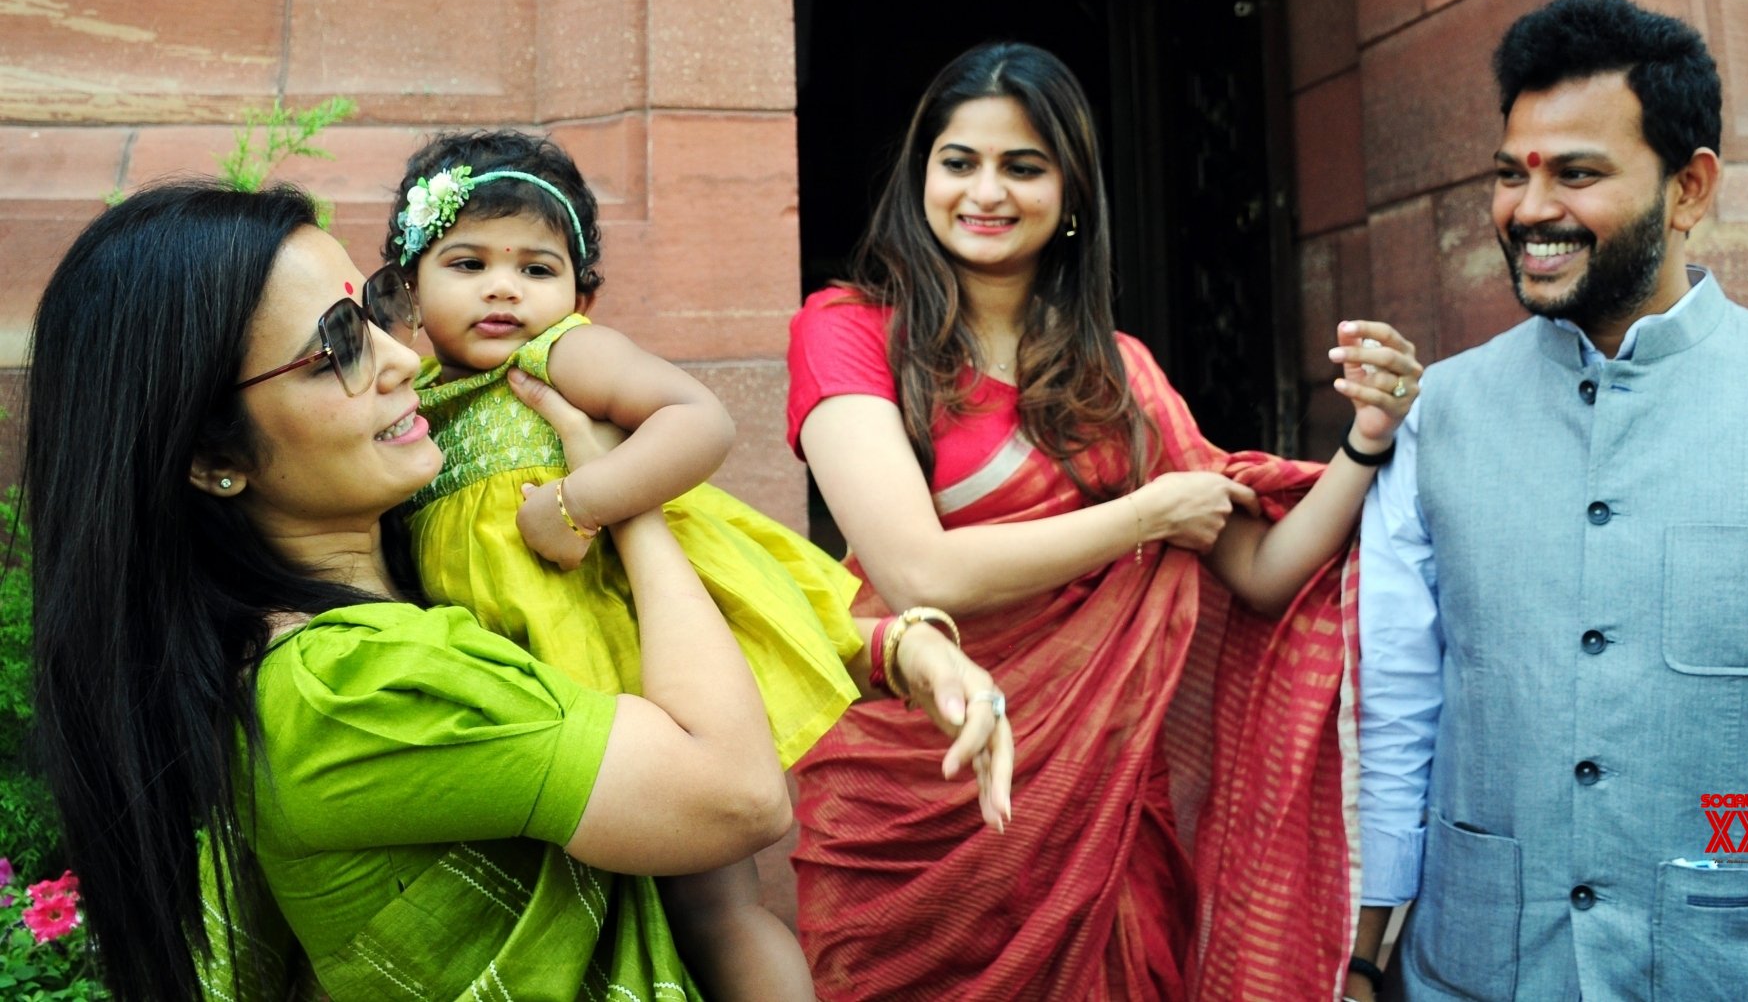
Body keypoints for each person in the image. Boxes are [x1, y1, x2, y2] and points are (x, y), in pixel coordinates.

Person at [24, 181, 1013, 1002]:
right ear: (210, 456)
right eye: (338, 347)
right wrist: (618, 503)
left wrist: (891, 645)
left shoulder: (421, 565)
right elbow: (736, 797)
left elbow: (688, 585)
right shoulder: (354, 684)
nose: (403, 357)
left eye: (371, 309)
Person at [1350, 0, 1748, 1001]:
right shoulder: (1433, 418)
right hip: (1468, 974)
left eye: (1575, 173)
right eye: (1509, 175)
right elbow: (1397, 710)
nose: (1527, 211)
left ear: (1688, 188)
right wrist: (1358, 951)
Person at [785, 41, 1422, 999]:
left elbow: (1258, 569)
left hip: (1103, 806)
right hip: (910, 800)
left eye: (1024, 167)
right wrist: (1147, 514)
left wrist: (1370, 437)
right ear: (922, 176)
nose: (985, 191)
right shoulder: (849, 330)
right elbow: (920, 572)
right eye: (959, 162)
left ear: (1072, 193)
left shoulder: (1118, 374)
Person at [381, 129, 914, 999]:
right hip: (522, 691)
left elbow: (699, 420)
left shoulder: (559, 356)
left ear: (582, 293)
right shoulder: (413, 407)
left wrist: (578, 501)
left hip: (633, 667)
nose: (503, 288)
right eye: (467, 263)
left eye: (538, 269)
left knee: (714, 905)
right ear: (409, 286)